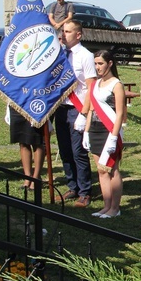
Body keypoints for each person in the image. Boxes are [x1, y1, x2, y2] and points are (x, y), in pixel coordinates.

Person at [54, 20, 96, 208]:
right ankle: (72, 186)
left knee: (78, 152)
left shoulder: (85, 55)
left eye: (68, 31)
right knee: (65, 150)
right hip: (61, 108)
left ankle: (85, 191)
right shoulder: (60, 55)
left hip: (77, 108)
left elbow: (90, 87)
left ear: (78, 34)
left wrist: (83, 113)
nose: (64, 34)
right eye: (63, 31)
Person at [83, 50, 126, 219]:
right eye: (95, 64)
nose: (97, 67)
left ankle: (115, 208)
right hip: (94, 129)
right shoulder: (95, 84)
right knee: (101, 170)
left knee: (112, 169)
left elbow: (120, 113)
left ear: (110, 64)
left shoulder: (117, 85)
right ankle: (106, 206)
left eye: (100, 63)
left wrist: (114, 137)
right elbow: (92, 109)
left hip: (109, 131)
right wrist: (86, 132)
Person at [8, 107, 45, 191]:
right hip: (17, 103)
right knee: (22, 141)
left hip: (34, 105)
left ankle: (36, 178)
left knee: (36, 141)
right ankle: (27, 177)